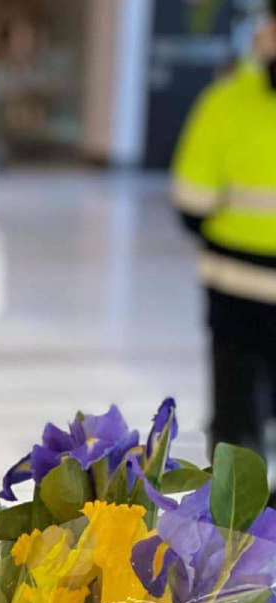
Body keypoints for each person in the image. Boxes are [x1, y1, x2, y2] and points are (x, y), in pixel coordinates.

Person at [172, 1, 276, 466]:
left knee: (236, 424)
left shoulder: (225, 102)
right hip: (237, 285)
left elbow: (192, 205)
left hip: (234, 288)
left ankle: (240, 532)